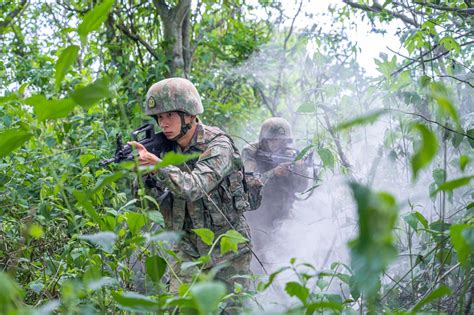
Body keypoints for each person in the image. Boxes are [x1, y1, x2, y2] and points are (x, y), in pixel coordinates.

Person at [128, 77, 252, 297]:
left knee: (232, 310)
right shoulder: (164, 148)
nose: (163, 123)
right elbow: (146, 203)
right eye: (159, 117)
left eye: (169, 115)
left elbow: (196, 187)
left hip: (227, 250)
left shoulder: (218, 145)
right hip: (186, 252)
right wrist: (143, 176)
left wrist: (160, 167)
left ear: (190, 114)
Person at [242, 117, 309, 254]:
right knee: (257, 254)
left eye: (281, 140)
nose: (277, 144)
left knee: (287, 252)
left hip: (282, 212)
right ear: (264, 139)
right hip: (257, 213)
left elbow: (302, 187)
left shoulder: (291, 155)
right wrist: (274, 173)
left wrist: (300, 170)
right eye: (272, 139)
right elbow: (248, 183)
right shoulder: (251, 152)